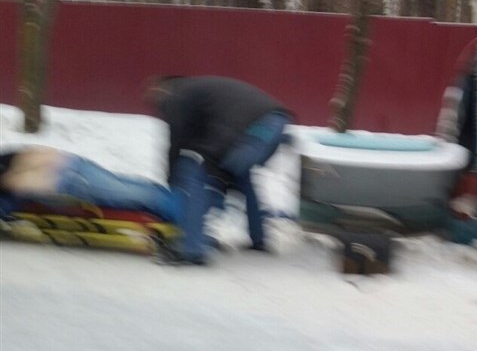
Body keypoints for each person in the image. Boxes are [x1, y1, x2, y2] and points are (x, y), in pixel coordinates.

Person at [144, 75, 291, 265]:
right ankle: (259, 239)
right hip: (276, 125)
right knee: (240, 177)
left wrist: (172, 180)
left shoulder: (177, 96)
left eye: (153, 97)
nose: (156, 106)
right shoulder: (199, 92)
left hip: (252, 130)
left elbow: (179, 141)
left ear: (162, 89)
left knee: (193, 171)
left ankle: (191, 249)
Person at [0, 146, 178, 224]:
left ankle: (185, 217)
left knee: (139, 195)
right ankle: (183, 209)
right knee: (134, 189)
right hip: (70, 164)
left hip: (68, 179)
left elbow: (9, 198)